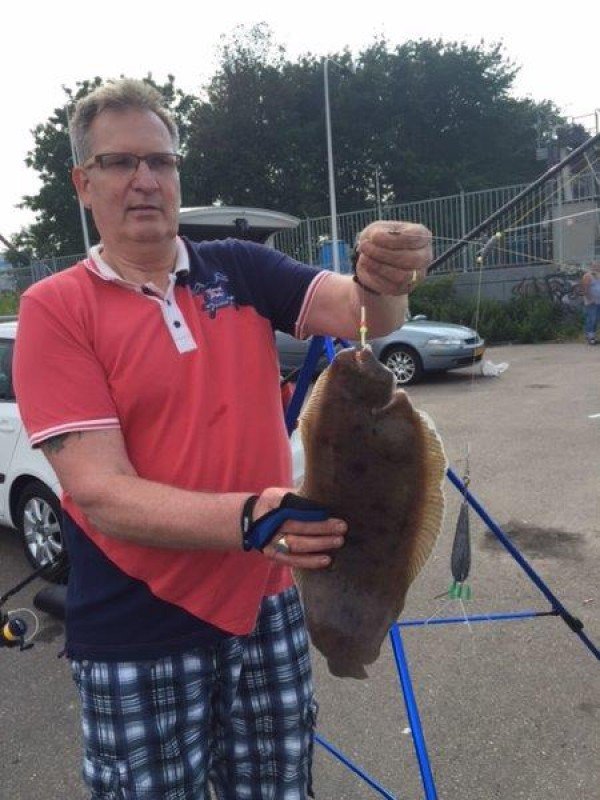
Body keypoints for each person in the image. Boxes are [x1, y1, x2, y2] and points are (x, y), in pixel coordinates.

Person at [14, 78, 432, 800]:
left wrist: (386, 271)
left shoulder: (237, 267)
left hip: (269, 603)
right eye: (120, 163)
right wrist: (251, 518)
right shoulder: (55, 309)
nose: (145, 180)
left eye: (162, 161)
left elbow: (367, 314)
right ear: (84, 183)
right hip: (136, 622)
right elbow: (100, 493)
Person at [581, 263, 600, 344]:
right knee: (591, 319)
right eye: (596, 266)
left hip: (599, 301)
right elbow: (585, 289)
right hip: (592, 302)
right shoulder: (587, 276)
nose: (598, 267)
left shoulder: (598, 276)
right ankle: (589, 337)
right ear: (592, 267)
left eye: (599, 266)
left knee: (596, 319)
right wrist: (590, 299)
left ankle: (593, 337)